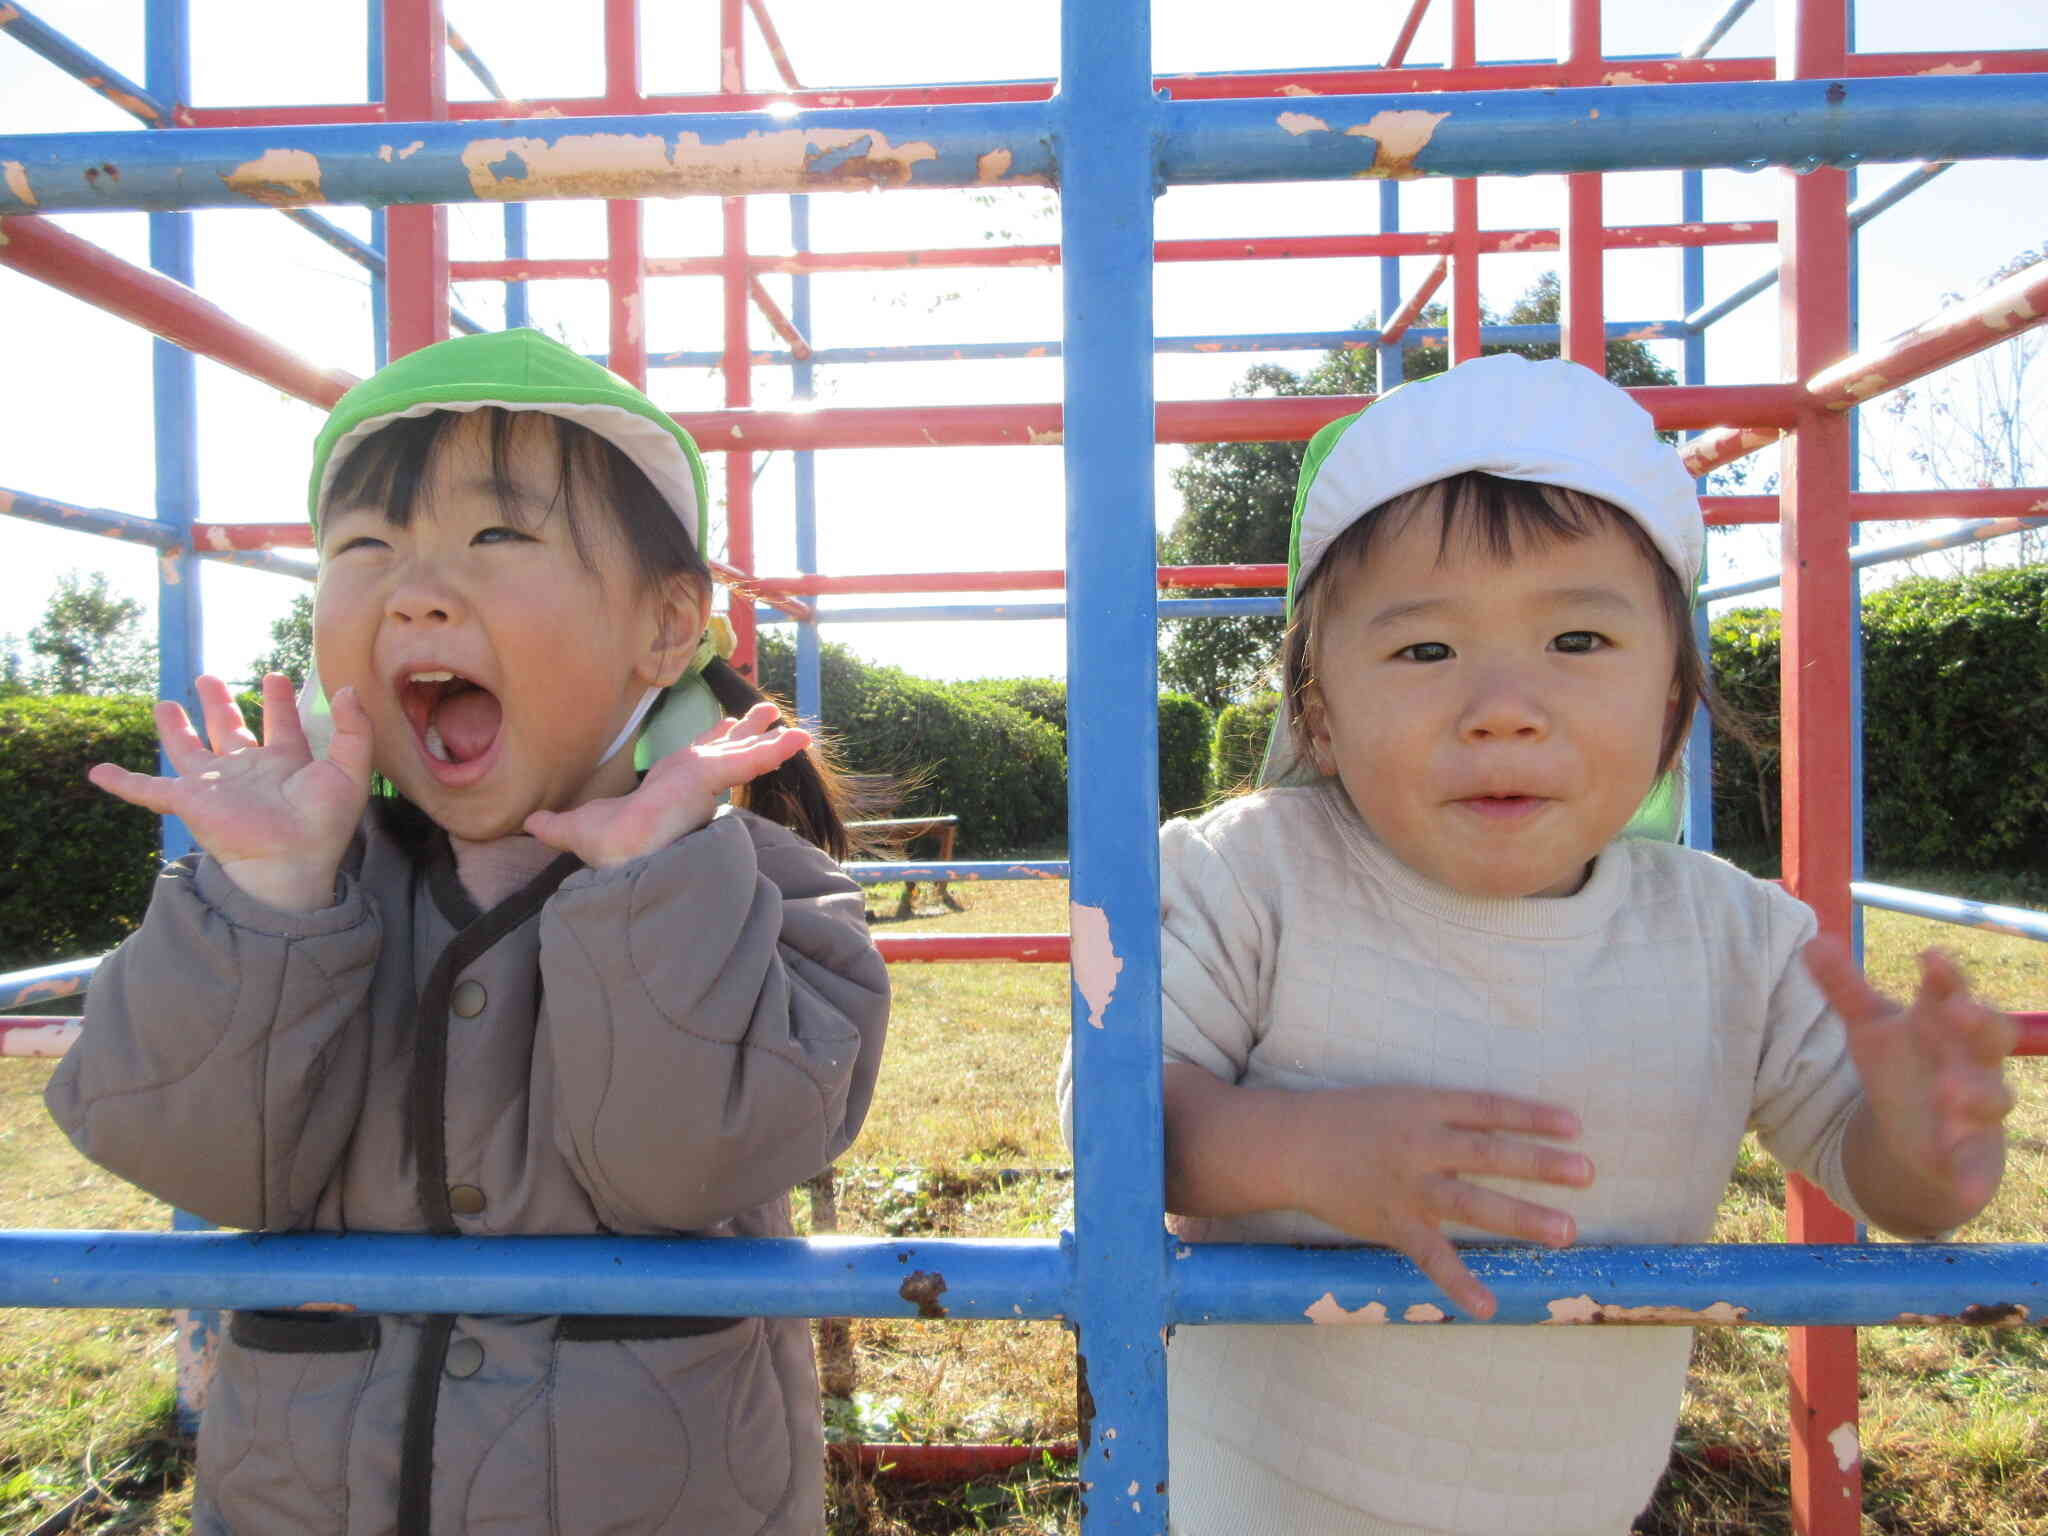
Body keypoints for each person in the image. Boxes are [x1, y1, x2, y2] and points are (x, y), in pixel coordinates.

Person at [1057, 354, 2018, 1536]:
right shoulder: (1244, 877)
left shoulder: (1734, 939)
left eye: (1576, 641)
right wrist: (1293, 1150)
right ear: (1316, 709)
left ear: (1671, 702)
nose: (1503, 704)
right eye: (1423, 652)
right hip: (1247, 1492)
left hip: (1577, 1501)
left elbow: (1873, 1175)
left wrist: (1921, 1151)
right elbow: (1105, 1117)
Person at [47, 328, 891, 1536]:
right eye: (363, 546)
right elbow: (197, 1158)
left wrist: (652, 879)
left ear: (665, 627)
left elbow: (686, 1166)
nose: (416, 588)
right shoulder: (294, 891)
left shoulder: (767, 892)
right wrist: (271, 903)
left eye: (497, 537)